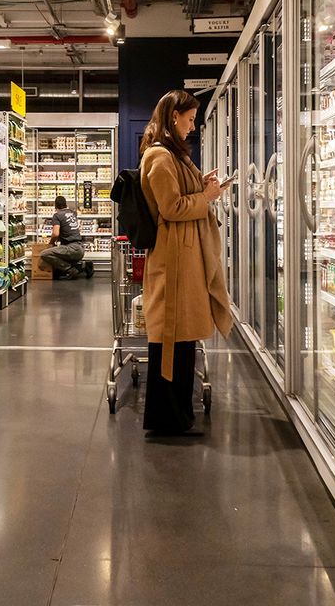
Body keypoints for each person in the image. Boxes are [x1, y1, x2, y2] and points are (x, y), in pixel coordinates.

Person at [139, 90, 232, 435]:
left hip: (183, 256)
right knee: (174, 335)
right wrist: (205, 196)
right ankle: (169, 418)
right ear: (173, 116)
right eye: (190, 119)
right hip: (175, 258)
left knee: (182, 337)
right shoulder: (161, 157)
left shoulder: (170, 156)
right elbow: (172, 208)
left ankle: (177, 415)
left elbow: (180, 196)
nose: (192, 127)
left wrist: (202, 185)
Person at [39, 196, 94, 280]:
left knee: (45, 254)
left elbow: (55, 234)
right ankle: (84, 265)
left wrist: (50, 243)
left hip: (71, 248)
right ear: (65, 204)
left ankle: (70, 270)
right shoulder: (72, 212)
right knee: (61, 254)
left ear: (55, 205)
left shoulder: (57, 215)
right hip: (80, 248)